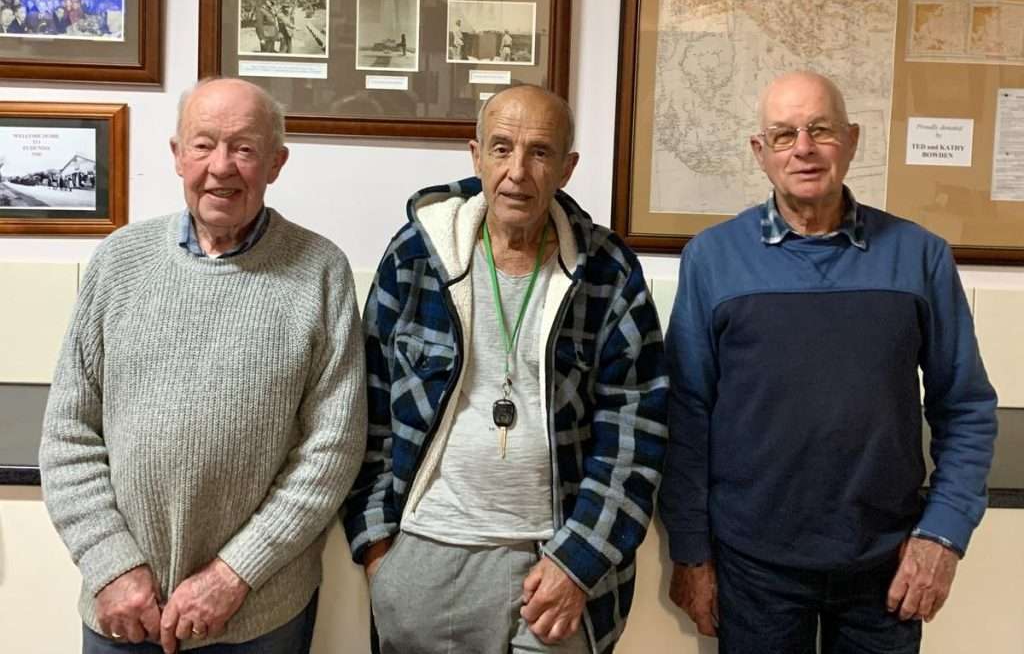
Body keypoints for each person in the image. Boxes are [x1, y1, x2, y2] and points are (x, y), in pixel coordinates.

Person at [660, 70, 997, 654]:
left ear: (853, 139)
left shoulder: (921, 257)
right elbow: (687, 417)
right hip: (753, 570)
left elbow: (965, 408)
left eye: (820, 129)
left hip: (886, 568)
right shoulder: (712, 259)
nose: (805, 149)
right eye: (785, 135)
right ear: (760, 152)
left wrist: (943, 536)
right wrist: (692, 553)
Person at [40, 77, 368, 654]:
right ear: (176, 156)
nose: (221, 166)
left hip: (259, 612)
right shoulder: (118, 262)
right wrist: (113, 566)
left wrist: (232, 575)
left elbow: (332, 449)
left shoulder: (321, 272)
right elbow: (68, 434)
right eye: (203, 145)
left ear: (276, 162)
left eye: (244, 148)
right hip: (124, 610)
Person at [344, 84, 668, 654]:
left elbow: (636, 437)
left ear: (567, 168)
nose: (517, 171)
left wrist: (579, 563)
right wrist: (378, 553)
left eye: (540, 153)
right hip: (425, 554)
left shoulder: (609, 273)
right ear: (475, 155)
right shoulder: (416, 257)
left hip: (555, 562)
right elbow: (365, 409)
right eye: (501, 148)